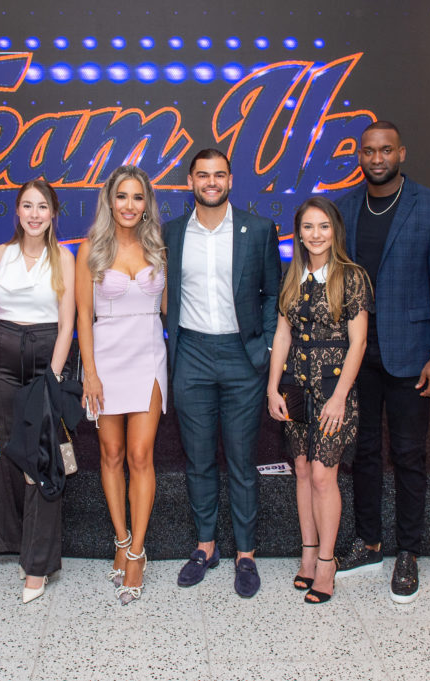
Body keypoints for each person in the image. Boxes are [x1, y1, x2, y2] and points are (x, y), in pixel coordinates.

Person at [334, 121, 430, 604]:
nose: (377, 158)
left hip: (412, 356)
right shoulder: (344, 209)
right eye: (369, 151)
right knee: (362, 453)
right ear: (359, 155)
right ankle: (369, 542)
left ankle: (408, 550)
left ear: (401, 152)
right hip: (358, 355)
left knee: (409, 456)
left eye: (386, 150)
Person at [164, 148, 281, 599]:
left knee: (240, 461)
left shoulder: (258, 230)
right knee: (198, 459)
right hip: (191, 352)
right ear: (189, 181)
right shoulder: (173, 233)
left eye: (219, 175)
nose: (211, 182)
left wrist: (267, 347)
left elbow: (273, 292)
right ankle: (206, 547)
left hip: (241, 356)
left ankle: (245, 554)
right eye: (202, 175)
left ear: (231, 180)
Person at [266, 197, 371, 604]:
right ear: (299, 232)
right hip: (294, 384)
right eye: (308, 227)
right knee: (303, 471)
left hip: (332, 389)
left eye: (323, 226)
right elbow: (281, 335)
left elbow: (359, 342)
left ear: (335, 230)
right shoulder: (292, 276)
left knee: (325, 476)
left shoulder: (351, 277)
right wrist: (273, 387)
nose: (316, 234)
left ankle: (327, 562)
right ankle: (307, 555)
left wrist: (340, 396)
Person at [76, 165, 167, 605]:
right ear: (109, 201)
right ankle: (119, 536)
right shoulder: (89, 250)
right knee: (110, 455)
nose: (130, 205)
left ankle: (137, 551)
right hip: (105, 361)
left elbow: (170, 307)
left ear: (146, 203)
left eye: (138, 197)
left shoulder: (159, 248)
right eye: (122, 197)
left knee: (139, 454)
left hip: (149, 354)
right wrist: (89, 372)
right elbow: (81, 318)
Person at [0, 179, 75, 603]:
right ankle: (15, 542)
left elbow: (68, 322)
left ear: (53, 213)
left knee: (42, 461)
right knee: (9, 453)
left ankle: (37, 567)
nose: (35, 213)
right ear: (17, 211)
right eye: (28, 205)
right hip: (2, 360)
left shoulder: (64, 258)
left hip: (45, 360)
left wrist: (52, 379)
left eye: (43, 206)